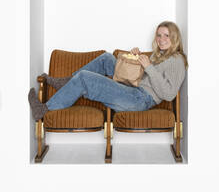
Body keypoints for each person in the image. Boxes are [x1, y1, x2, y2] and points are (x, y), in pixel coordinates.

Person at [28, 21, 188, 121]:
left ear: (174, 38)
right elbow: (142, 78)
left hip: (140, 100)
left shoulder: (177, 60)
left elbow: (169, 94)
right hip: (134, 88)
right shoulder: (159, 54)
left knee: (84, 78)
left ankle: (44, 109)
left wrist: (149, 68)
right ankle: (67, 82)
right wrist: (135, 59)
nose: (161, 39)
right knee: (106, 58)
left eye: (166, 35)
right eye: (159, 35)